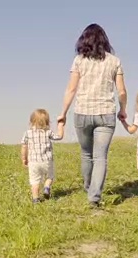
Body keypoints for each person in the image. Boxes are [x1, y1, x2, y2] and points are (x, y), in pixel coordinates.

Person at [56, 23, 128, 208]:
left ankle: (89, 188)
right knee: (100, 157)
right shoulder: (115, 61)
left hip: (82, 112)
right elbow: (121, 91)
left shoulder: (79, 60)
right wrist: (123, 109)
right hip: (106, 113)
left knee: (86, 154)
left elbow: (71, 89)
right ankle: (94, 197)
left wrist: (62, 113)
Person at [21, 109, 65, 204]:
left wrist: (24, 158)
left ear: (31, 121)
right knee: (50, 176)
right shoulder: (48, 132)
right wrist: (60, 125)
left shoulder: (27, 133)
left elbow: (24, 146)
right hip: (47, 161)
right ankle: (47, 187)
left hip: (33, 162)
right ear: (47, 121)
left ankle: (35, 199)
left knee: (34, 181)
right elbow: (59, 136)